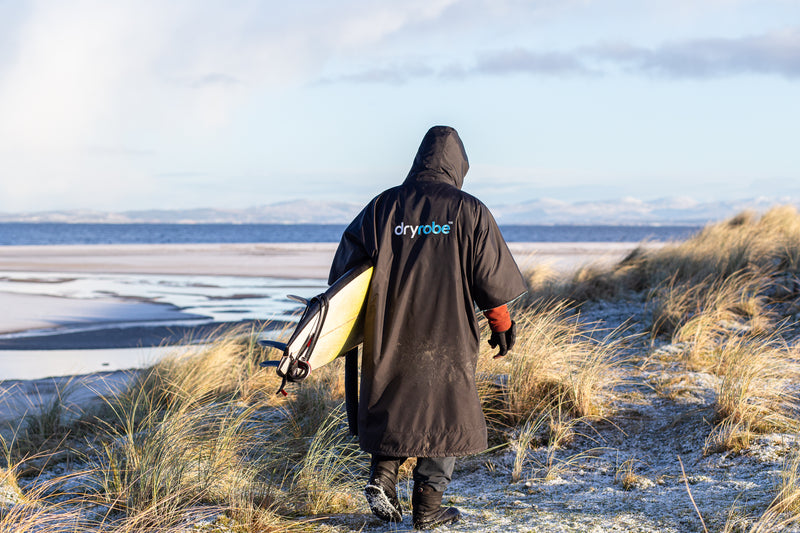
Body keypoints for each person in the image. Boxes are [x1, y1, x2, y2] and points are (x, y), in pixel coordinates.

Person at [328, 125, 526, 530]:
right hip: (447, 336)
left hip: (390, 330)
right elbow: (490, 278)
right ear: (457, 166)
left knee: (392, 401)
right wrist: (501, 321)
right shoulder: (469, 210)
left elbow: (345, 273)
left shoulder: (383, 207)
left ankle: (382, 478)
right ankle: (428, 510)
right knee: (444, 415)